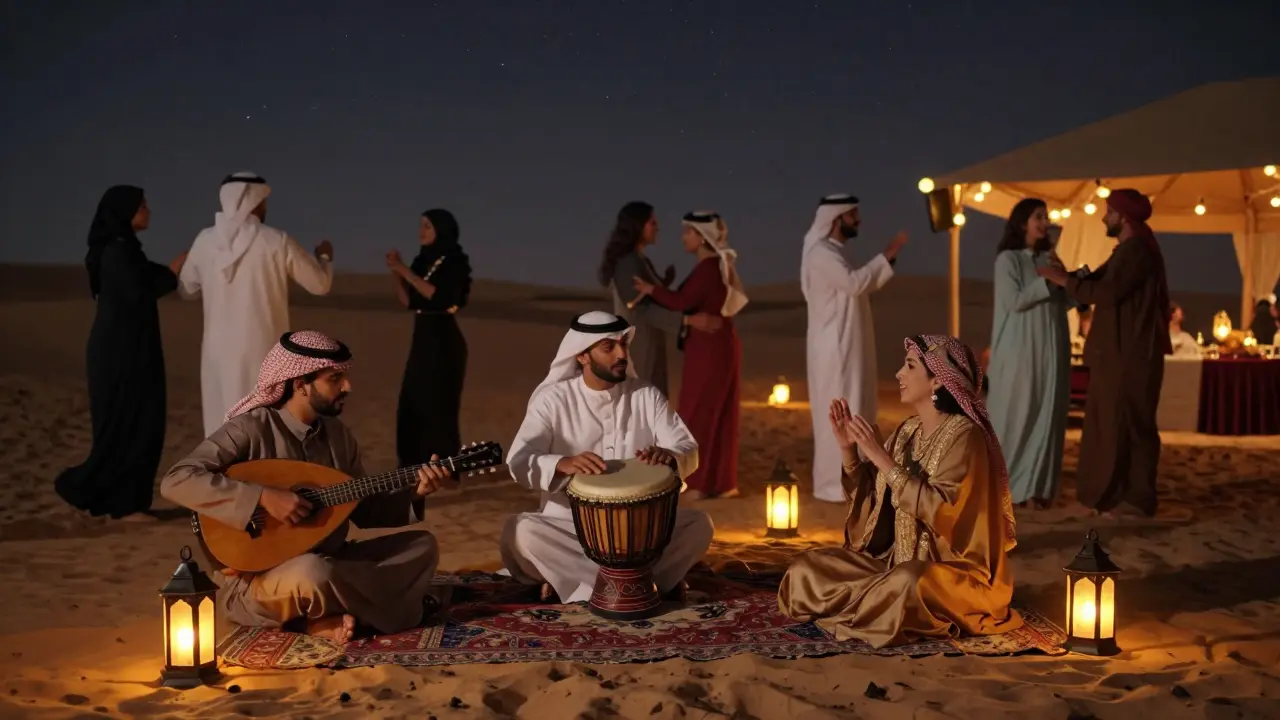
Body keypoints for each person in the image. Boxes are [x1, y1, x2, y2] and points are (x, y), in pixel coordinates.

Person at [159, 331, 449, 643]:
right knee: (312, 573)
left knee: (421, 547)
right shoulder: (250, 429)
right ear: (300, 385)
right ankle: (327, 620)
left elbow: (363, 510)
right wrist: (263, 497)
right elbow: (177, 480)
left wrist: (417, 492)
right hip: (260, 579)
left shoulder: (339, 437)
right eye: (334, 378)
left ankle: (330, 616)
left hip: (331, 559)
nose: (347, 387)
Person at [778, 335, 1021, 649]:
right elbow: (874, 507)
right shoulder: (907, 431)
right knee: (804, 569)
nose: (898, 374)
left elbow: (943, 511)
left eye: (909, 366)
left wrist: (880, 455)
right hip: (893, 565)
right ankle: (873, 600)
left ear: (937, 381)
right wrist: (849, 451)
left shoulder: (966, 437)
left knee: (908, 583)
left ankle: (869, 601)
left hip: (949, 573)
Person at [501, 311, 715, 603]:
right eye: (608, 347)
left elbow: (686, 445)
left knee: (699, 525)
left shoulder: (645, 395)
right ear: (582, 356)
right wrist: (561, 463)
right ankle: (645, 584)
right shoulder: (553, 400)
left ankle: (575, 581)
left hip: (642, 531)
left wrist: (670, 455)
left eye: (624, 345)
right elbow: (519, 460)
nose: (621, 354)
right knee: (520, 532)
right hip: (572, 528)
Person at [1037, 188, 1171, 517]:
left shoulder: (1137, 250)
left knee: (1132, 424)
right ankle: (1117, 493)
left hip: (1131, 355)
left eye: (1108, 212)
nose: (1103, 217)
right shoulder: (1128, 249)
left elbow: (1107, 291)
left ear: (1122, 217)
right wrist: (1066, 274)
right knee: (1115, 423)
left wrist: (1064, 280)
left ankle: (1136, 497)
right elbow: (1098, 280)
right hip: (1121, 353)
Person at [55, 186, 186, 521]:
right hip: (120, 355)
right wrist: (171, 273)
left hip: (128, 351)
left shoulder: (124, 250)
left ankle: (127, 502)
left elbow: (146, 279)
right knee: (128, 425)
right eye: (142, 205)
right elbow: (141, 289)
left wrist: (170, 272)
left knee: (139, 423)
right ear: (125, 211)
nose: (149, 210)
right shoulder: (117, 253)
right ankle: (121, 505)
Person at [178, 172, 336, 437]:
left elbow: (186, 290)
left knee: (222, 428)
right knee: (265, 428)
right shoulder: (276, 240)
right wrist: (325, 258)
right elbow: (320, 285)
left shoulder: (205, 241)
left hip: (218, 354)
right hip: (265, 352)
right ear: (256, 202)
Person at [632, 211, 748, 499]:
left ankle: (696, 484)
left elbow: (682, 302)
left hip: (709, 349)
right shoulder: (711, 267)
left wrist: (651, 289)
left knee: (699, 411)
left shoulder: (709, 268)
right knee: (716, 412)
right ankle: (719, 483)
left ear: (701, 236)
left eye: (689, 232)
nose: (684, 237)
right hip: (715, 346)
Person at [801, 194, 908, 502]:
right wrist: (886, 255)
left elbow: (862, 283)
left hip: (847, 345)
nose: (858, 221)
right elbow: (855, 283)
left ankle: (853, 481)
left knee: (857, 408)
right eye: (853, 216)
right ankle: (835, 486)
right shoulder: (821, 253)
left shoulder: (833, 252)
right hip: (836, 350)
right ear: (837, 218)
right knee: (840, 413)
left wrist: (886, 261)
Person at [986, 198, 1071, 510]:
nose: (1044, 222)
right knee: (1018, 414)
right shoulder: (1007, 260)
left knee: (1046, 414)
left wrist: (1071, 282)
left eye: (1046, 217)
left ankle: (1037, 489)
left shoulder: (1049, 256)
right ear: (1022, 222)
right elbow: (1015, 302)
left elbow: (1064, 299)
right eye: (1038, 217)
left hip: (1053, 348)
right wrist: (1047, 278)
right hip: (1020, 351)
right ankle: (1008, 488)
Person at [599, 201, 722, 398]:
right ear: (638, 226)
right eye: (652, 223)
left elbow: (649, 296)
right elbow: (640, 309)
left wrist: (663, 283)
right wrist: (688, 321)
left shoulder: (640, 261)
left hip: (649, 345)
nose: (657, 228)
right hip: (637, 350)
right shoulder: (627, 263)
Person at [385, 208, 472, 467]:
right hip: (422, 336)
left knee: (440, 404)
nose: (421, 232)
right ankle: (411, 463)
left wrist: (404, 270)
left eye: (428, 226)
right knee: (412, 399)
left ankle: (444, 465)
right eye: (421, 225)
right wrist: (395, 273)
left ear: (441, 230)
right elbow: (409, 301)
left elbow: (441, 296)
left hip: (444, 340)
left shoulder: (455, 261)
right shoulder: (423, 261)